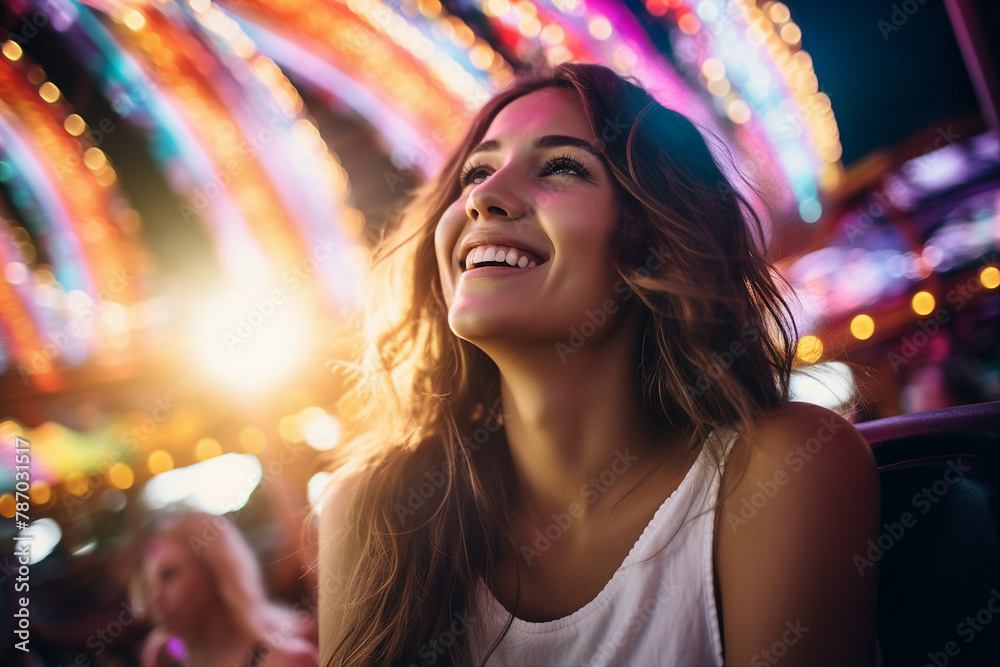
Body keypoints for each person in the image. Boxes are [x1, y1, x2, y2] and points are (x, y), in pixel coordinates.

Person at [318, 61, 882, 666]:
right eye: (476, 171)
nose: (482, 196)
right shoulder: (373, 511)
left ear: (658, 240)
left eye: (562, 166)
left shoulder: (786, 465)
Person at [135, 511, 318, 667]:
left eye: (169, 575)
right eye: (150, 584)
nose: (154, 596)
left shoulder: (289, 662)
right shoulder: (159, 657)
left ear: (214, 571)